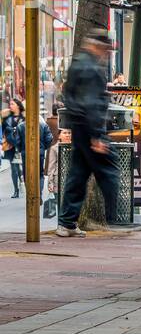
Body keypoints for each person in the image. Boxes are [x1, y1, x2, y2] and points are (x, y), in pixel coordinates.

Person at [56, 27, 120, 237]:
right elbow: (92, 103)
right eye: (106, 49)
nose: (107, 54)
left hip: (79, 126)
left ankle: (67, 222)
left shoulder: (77, 63)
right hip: (89, 128)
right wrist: (98, 136)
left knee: (78, 173)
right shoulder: (91, 68)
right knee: (109, 169)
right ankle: (116, 219)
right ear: (98, 47)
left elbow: (69, 94)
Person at [14, 101, 54, 197]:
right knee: (39, 174)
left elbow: (17, 142)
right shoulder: (43, 125)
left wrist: (21, 150)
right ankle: (38, 194)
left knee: (27, 174)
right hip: (39, 153)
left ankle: (30, 195)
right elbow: (49, 139)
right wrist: (43, 148)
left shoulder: (20, 126)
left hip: (26, 153)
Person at [1, 99, 23, 197]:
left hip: (22, 146)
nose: (10, 105)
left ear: (18, 105)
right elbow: (4, 130)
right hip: (11, 146)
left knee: (19, 169)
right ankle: (16, 190)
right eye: (10, 104)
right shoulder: (7, 117)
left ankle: (22, 180)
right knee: (14, 168)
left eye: (12, 104)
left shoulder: (25, 116)